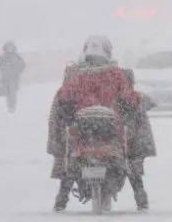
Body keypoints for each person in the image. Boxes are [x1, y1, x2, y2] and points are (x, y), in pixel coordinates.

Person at [48, 36, 139, 212]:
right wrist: (137, 100)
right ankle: (140, 195)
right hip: (112, 130)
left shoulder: (77, 75)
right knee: (130, 156)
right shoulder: (116, 74)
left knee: (70, 160)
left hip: (82, 130)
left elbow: (64, 98)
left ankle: (61, 199)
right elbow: (129, 99)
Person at [123, 69, 157, 212]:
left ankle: (141, 201)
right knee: (135, 173)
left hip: (130, 141)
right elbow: (153, 102)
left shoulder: (120, 98)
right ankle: (142, 201)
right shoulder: (139, 97)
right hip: (140, 141)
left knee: (132, 171)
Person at [0, 41, 26, 113]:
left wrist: (17, 70)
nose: (10, 48)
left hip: (14, 78)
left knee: (12, 93)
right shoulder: (3, 56)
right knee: (7, 93)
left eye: (11, 47)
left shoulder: (16, 56)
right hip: (5, 78)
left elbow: (23, 65)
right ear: (5, 48)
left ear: (13, 48)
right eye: (8, 47)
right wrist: (4, 68)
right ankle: (9, 106)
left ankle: (12, 106)